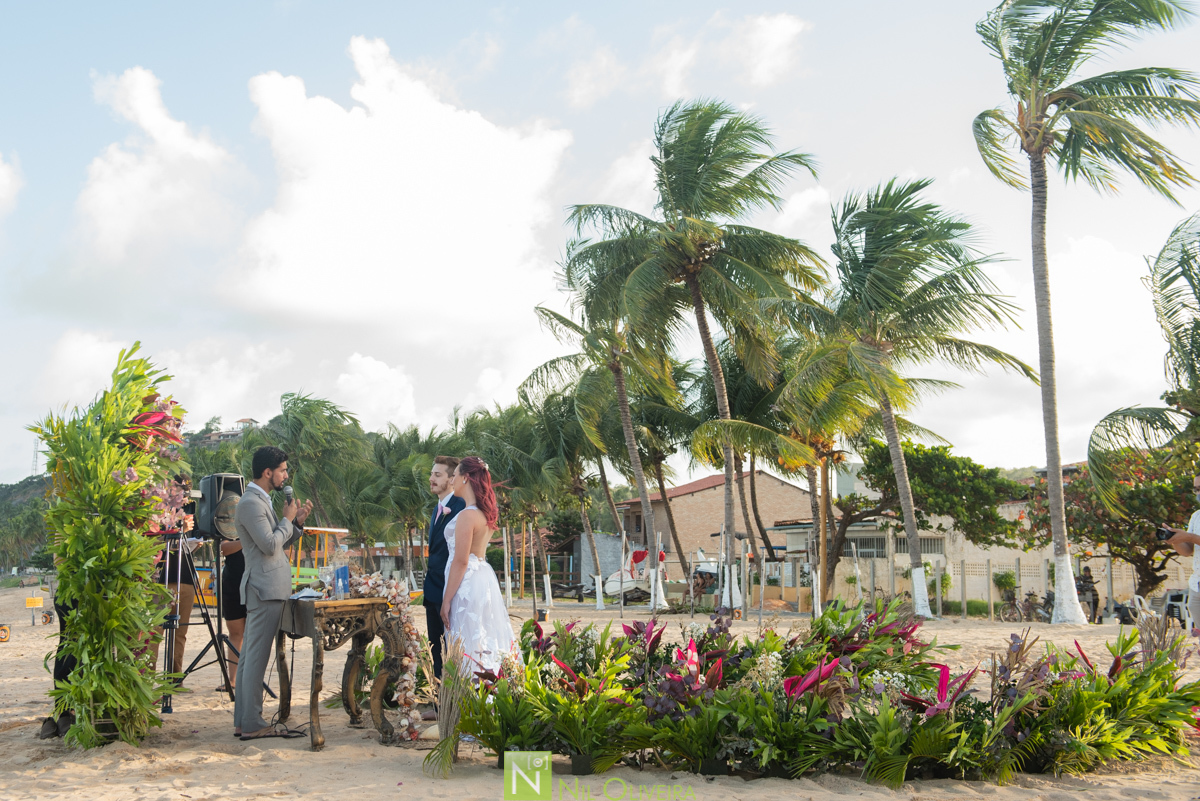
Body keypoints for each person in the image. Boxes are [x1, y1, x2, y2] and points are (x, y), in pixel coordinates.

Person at [232, 446, 312, 741]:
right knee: (255, 658)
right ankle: (252, 722)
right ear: (268, 473)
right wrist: (287, 519)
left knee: (250, 658)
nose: (286, 476)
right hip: (263, 589)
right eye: (283, 470)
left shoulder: (260, 500)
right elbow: (268, 545)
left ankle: (244, 721)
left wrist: (296, 522)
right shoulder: (251, 503)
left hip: (269, 588)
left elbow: (278, 543)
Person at [440, 456, 515, 675]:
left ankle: (466, 700)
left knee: (466, 640)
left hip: (466, 584)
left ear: (465, 478)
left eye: (454, 476)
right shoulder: (485, 514)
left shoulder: (466, 516)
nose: (452, 480)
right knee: (483, 636)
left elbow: (461, 560)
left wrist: (446, 600)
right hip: (483, 578)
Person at [423, 455, 465, 682]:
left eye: (437, 475)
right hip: (433, 590)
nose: (431, 479)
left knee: (450, 649)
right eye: (432, 474)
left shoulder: (460, 507)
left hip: (450, 589)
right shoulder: (438, 508)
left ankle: (449, 703)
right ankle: (439, 703)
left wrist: (448, 595)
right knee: (435, 647)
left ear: (452, 479)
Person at [1164, 473, 1200, 637]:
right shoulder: (1196, 516)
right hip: (1196, 583)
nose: (1198, 493)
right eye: (1196, 489)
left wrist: (1189, 537)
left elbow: (1192, 539)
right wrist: (1174, 539)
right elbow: (1188, 550)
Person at [218, 538, 246, 692]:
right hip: (232, 583)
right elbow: (222, 549)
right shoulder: (227, 520)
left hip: (256, 582)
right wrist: (246, 539)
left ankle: (249, 678)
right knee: (235, 633)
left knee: (252, 634)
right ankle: (233, 679)